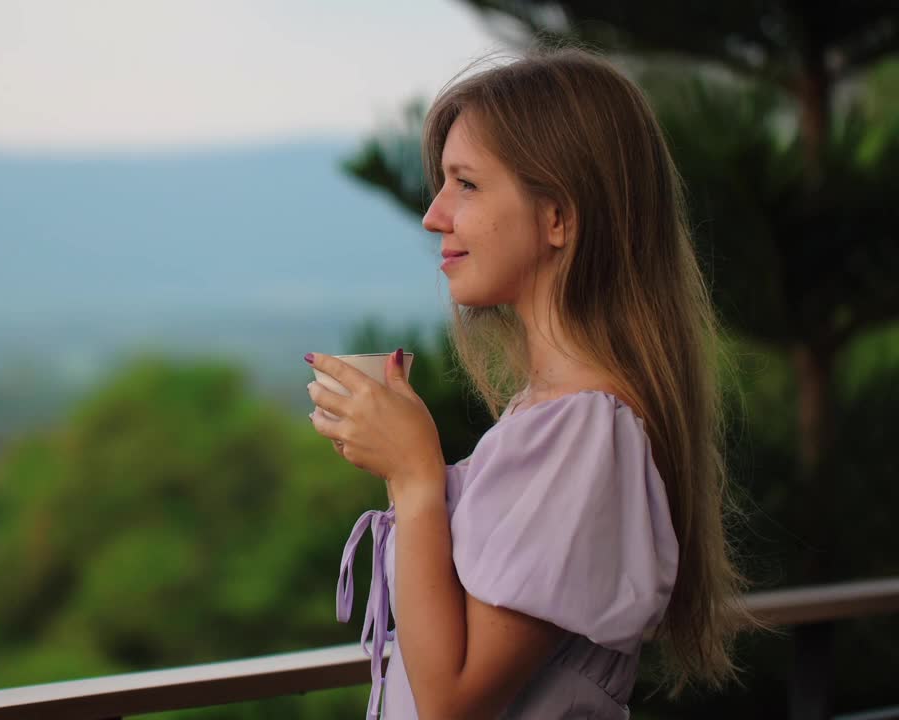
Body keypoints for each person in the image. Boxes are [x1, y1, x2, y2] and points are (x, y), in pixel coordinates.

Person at [305, 46, 757, 719]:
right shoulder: (555, 418)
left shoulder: (585, 433)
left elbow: (452, 702)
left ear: (559, 218)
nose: (434, 215)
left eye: (467, 184)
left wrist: (415, 477)